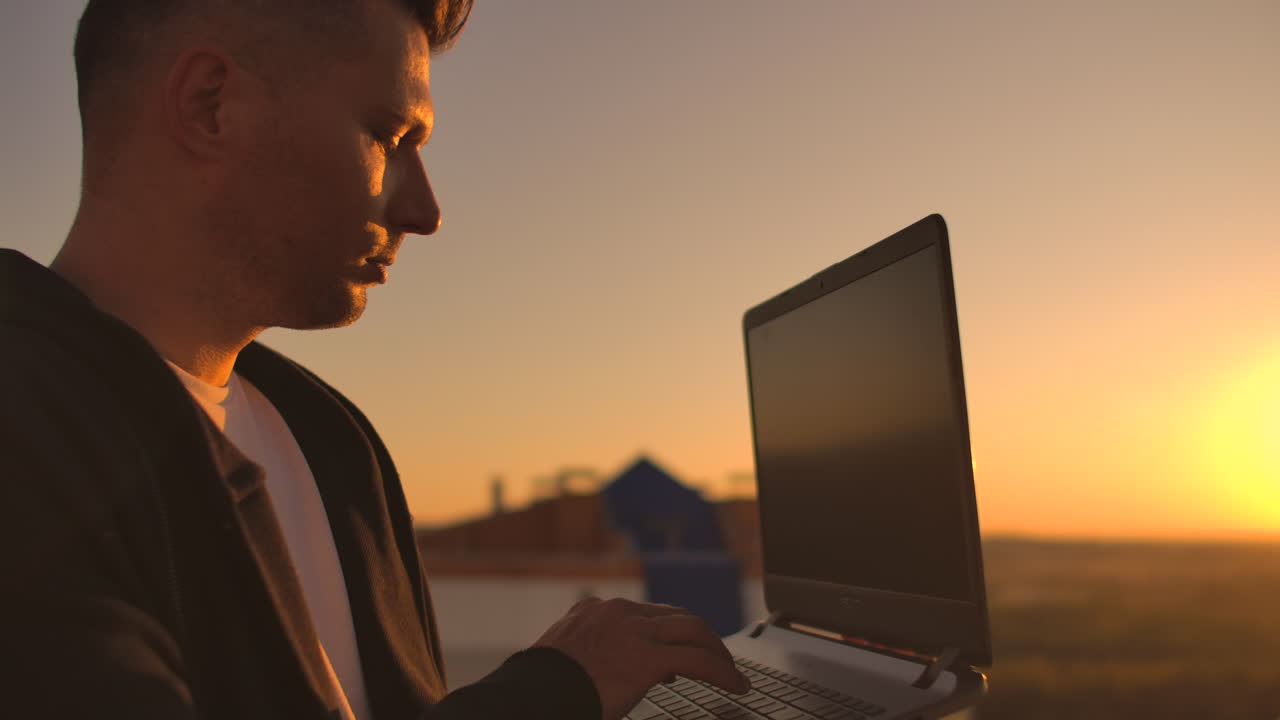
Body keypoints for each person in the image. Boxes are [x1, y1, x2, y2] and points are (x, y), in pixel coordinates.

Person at [0, 1, 750, 718]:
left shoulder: (332, 442)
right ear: (209, 103)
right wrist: (554, 691)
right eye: (389, 136)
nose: (424, 211)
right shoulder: (28, 438)